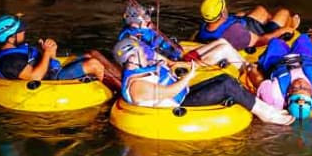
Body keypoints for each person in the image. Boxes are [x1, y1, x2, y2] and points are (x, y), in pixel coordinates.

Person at [117, 39, 293, 125]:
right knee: (227, 86)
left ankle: (264, 107)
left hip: (183, 94)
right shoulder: (137, 86)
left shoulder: (137, 70)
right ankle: (267, 114)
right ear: (131, 57)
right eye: (140, 53)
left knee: (225, 79)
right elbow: (170, 92)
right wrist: (189, 75)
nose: (144, 54)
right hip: (181, 101)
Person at [113, 0, 250, 73]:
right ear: (136, 23)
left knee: (222, 42)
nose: (150, 20)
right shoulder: (137, 45)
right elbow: (162, 61)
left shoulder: (141, 31)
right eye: (146, 19)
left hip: (179, 58)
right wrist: (181, 64)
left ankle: (247, 66)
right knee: (223, 50)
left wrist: (153, 29)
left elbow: (164, 46)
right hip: (179, 67)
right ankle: (248, 71)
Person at [255, 34, 312, 121]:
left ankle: (281, 42)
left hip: (278, 62)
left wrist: (251, 68)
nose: (300, 83)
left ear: (288, 93)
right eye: (305, 88)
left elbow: (258, 79)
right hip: (309, 57)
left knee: (275, 42)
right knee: (303, 38)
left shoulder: (274, 95)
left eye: (296, 88)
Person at [0, 14, 107, 83]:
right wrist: (46, 53)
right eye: (20, 31)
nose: (24, 32)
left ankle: (115, 79)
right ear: (11, 37)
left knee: (91, 55)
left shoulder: (16, 51)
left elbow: (42, 65)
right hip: (52, 81)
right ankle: (111, 95)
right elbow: (35, 77)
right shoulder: (11, 61)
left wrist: (51, 51)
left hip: (52, 73)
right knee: (94, 64)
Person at [196, 0, 300, 52]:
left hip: (244, 25)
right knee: (284, 13)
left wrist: (237, 17)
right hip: (257, 34)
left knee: (261, 9)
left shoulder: (205, 25)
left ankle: (272, 20)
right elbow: (260, 41)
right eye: (224, 8)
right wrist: (281, 31)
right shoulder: (235, 32)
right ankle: (292, 24)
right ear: (223, 13)